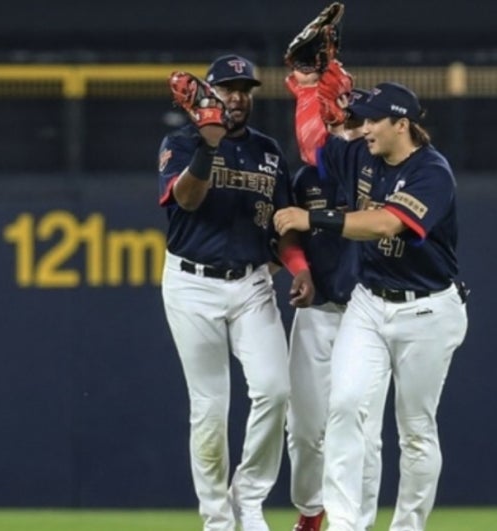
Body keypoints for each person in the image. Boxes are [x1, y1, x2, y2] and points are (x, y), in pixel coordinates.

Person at [274, 65, 469, 531]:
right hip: (369, 302)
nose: (362, 129)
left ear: (401, 124)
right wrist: (307, 88)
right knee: (344, 406)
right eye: (360, 120)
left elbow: (385, 224)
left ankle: (407, 526)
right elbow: (314, 144)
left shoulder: (431, 173)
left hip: (427, 309)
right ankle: (343, 523)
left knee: (416, 432)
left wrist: (313, 218)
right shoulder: (363, 154)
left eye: (372, 121)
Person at [158, 54, 314, 531]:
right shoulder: (181, 141)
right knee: (209, 407)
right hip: (192, 285)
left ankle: (248, 499)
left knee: (274, 388)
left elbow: (282, 223)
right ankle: (217, 521)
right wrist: (207, 143)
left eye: (245, 88)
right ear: (207, 93)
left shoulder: (268, 151)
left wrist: (300, 267)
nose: (238, 96)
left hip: (251, 282)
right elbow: (186, 199)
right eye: (228, 88)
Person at [283, 84, 391, 531]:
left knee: (362, 429)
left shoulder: (382, 174)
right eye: (347, 120)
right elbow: (286, 228)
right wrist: (299, 270)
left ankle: (355, 524)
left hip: (366, 314)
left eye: (360, 121)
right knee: (306, 430)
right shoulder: (309, 177)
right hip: (318, 311)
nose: (354, 128)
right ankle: (312, 511)